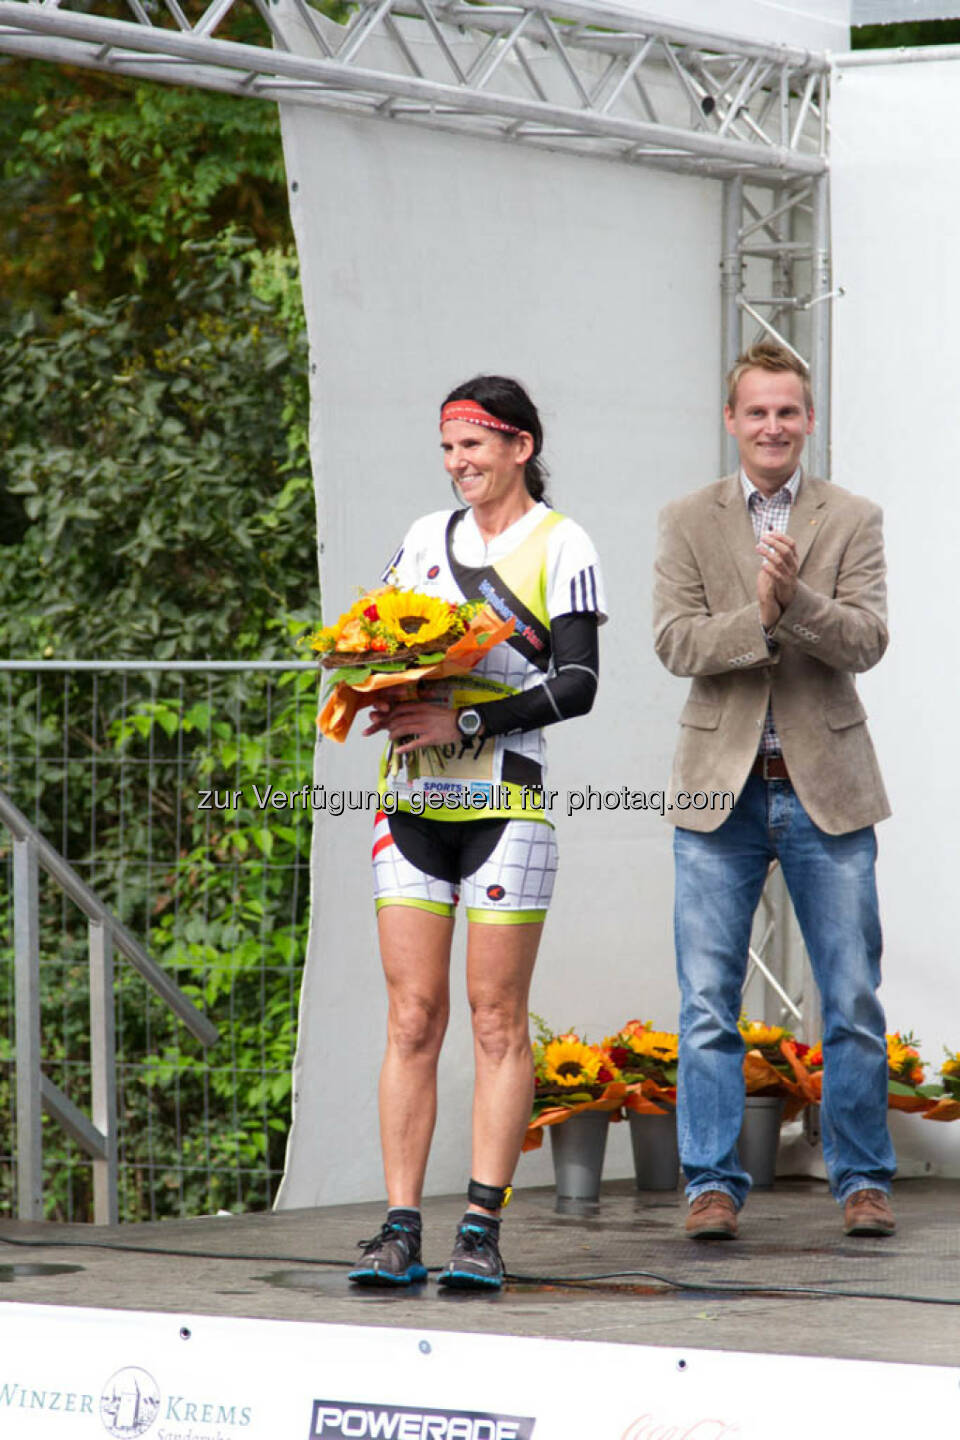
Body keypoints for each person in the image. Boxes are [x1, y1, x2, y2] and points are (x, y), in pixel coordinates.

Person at [348, 375, 607, 1289]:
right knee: (413, 1017)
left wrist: (462, 722)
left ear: (521, 448)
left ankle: (481, 1229)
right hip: (410, 804)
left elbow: (578, 683)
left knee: (497, 1021)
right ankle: (398, 1226)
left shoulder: (562, 540)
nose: (461, 464)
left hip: (505, 807)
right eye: (450, 449)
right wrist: (375, 688)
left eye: (477, 447)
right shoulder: (425, 537)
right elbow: (376, 637)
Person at [652, 341, 896, 1242]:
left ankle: (863, 1180)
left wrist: (794, 601)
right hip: (719, 794)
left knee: (852, 999)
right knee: (706, 1003)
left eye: (788, 411)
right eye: (756, 411)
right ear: (731, 420)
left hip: (825, 788)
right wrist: (757, 615)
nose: (772, 426)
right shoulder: (687, 519)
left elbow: (867, 640)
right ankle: (711, 1186)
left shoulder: (853, 516)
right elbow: (675, 644)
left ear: (809, 420)